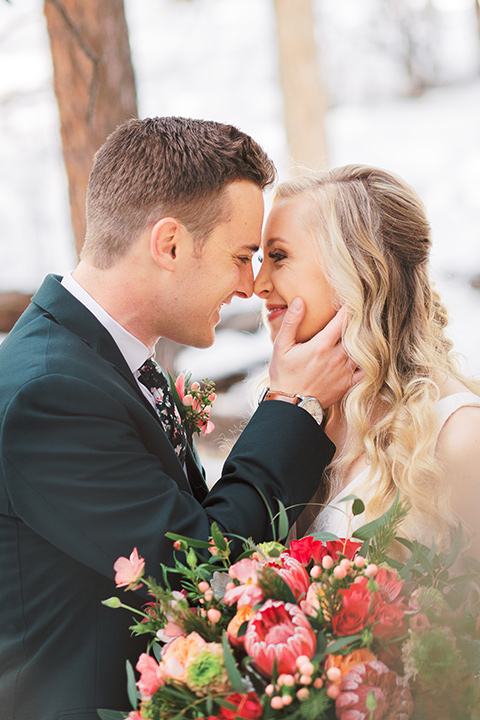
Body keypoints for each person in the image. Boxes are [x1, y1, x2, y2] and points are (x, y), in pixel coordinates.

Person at [0, 118, 360, 720]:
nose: (251, 285)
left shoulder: (99, 359)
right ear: (168, 244)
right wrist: (290, 406)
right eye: (242, 256)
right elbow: (200, 567)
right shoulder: (52, 392)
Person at [254, 163, 480, 557]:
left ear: (359, 269)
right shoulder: (298, 409)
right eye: (261, 259)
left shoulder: (459, 437)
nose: (258, 285)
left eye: (279, 256)